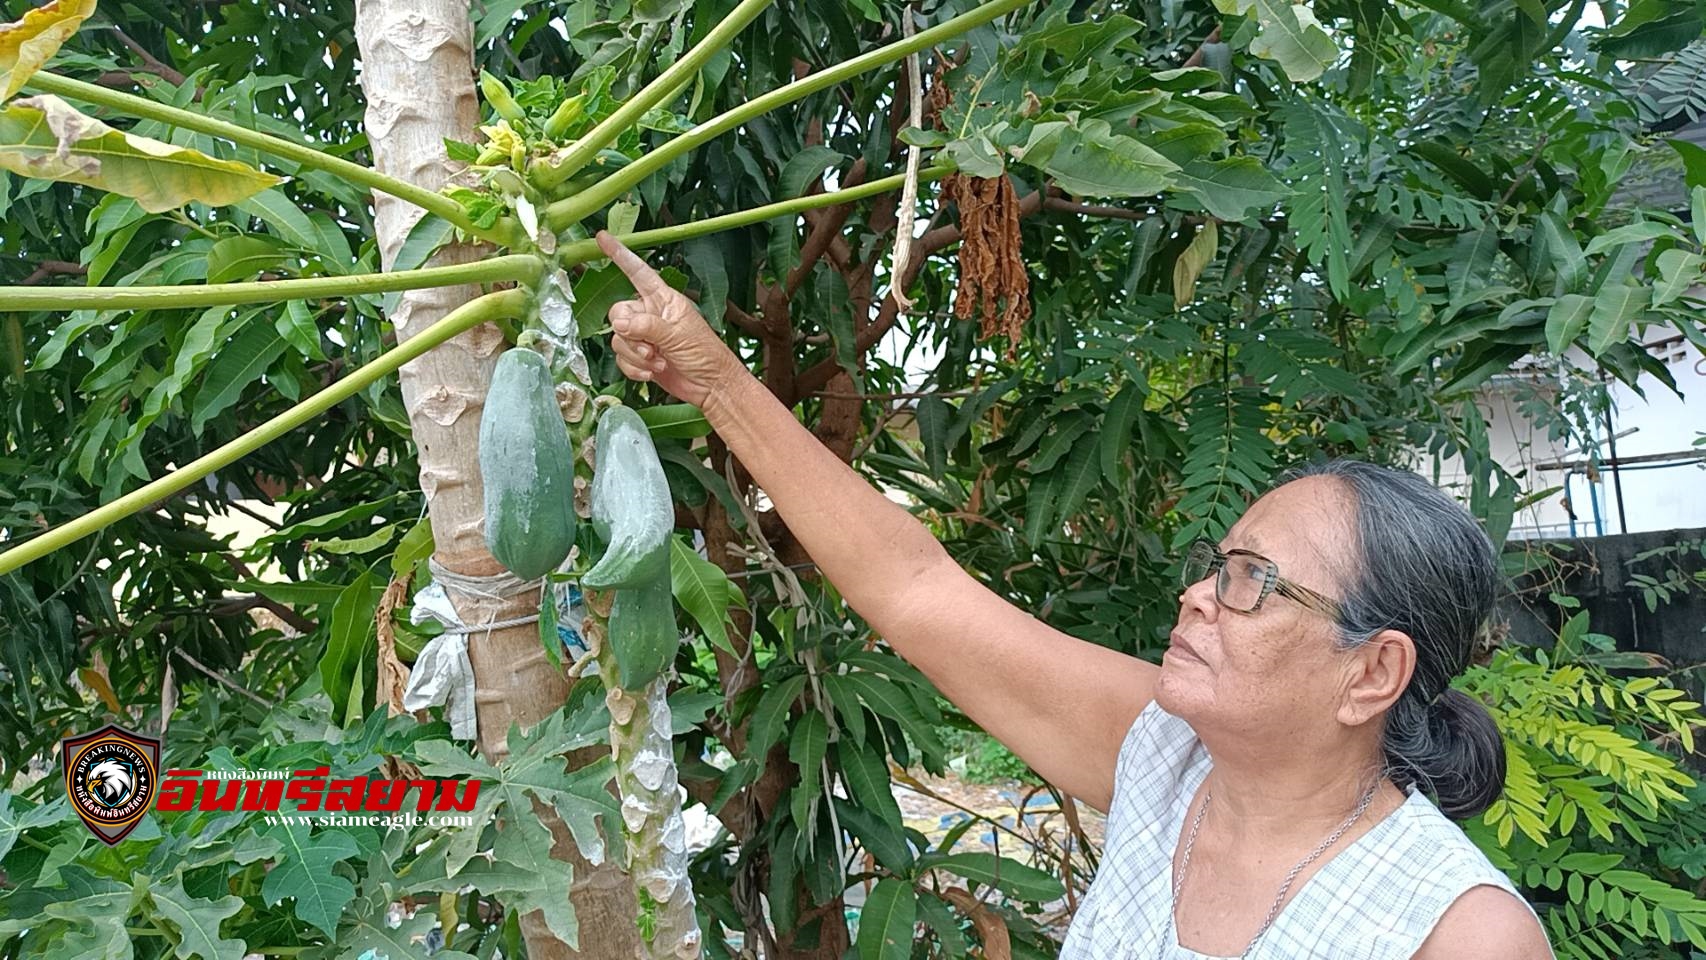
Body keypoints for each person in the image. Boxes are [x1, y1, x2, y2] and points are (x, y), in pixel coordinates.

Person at [592, 231, 1555, 959]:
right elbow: (917, 586)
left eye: (1251, 581)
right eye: (1216, 565)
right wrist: (713, 379)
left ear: (1373, 671)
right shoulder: (1167, 760)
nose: (1197, 598)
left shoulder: (1458, 932)